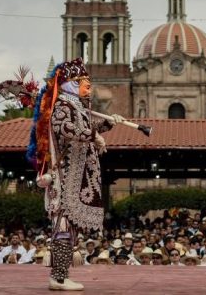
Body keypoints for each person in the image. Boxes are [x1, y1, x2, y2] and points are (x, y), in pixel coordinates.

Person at [31, 58, 124, 291]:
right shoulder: (63, 106)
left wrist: (108, 124)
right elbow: (65, 128)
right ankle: (58, 278)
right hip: (66, 177)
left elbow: (87, 128)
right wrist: (94, 135)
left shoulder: (76, 106)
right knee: (63, 227)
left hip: (77, 176)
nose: (88, 85)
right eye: (83, 82)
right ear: (70, 84)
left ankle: (61, 276)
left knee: (68, 229)